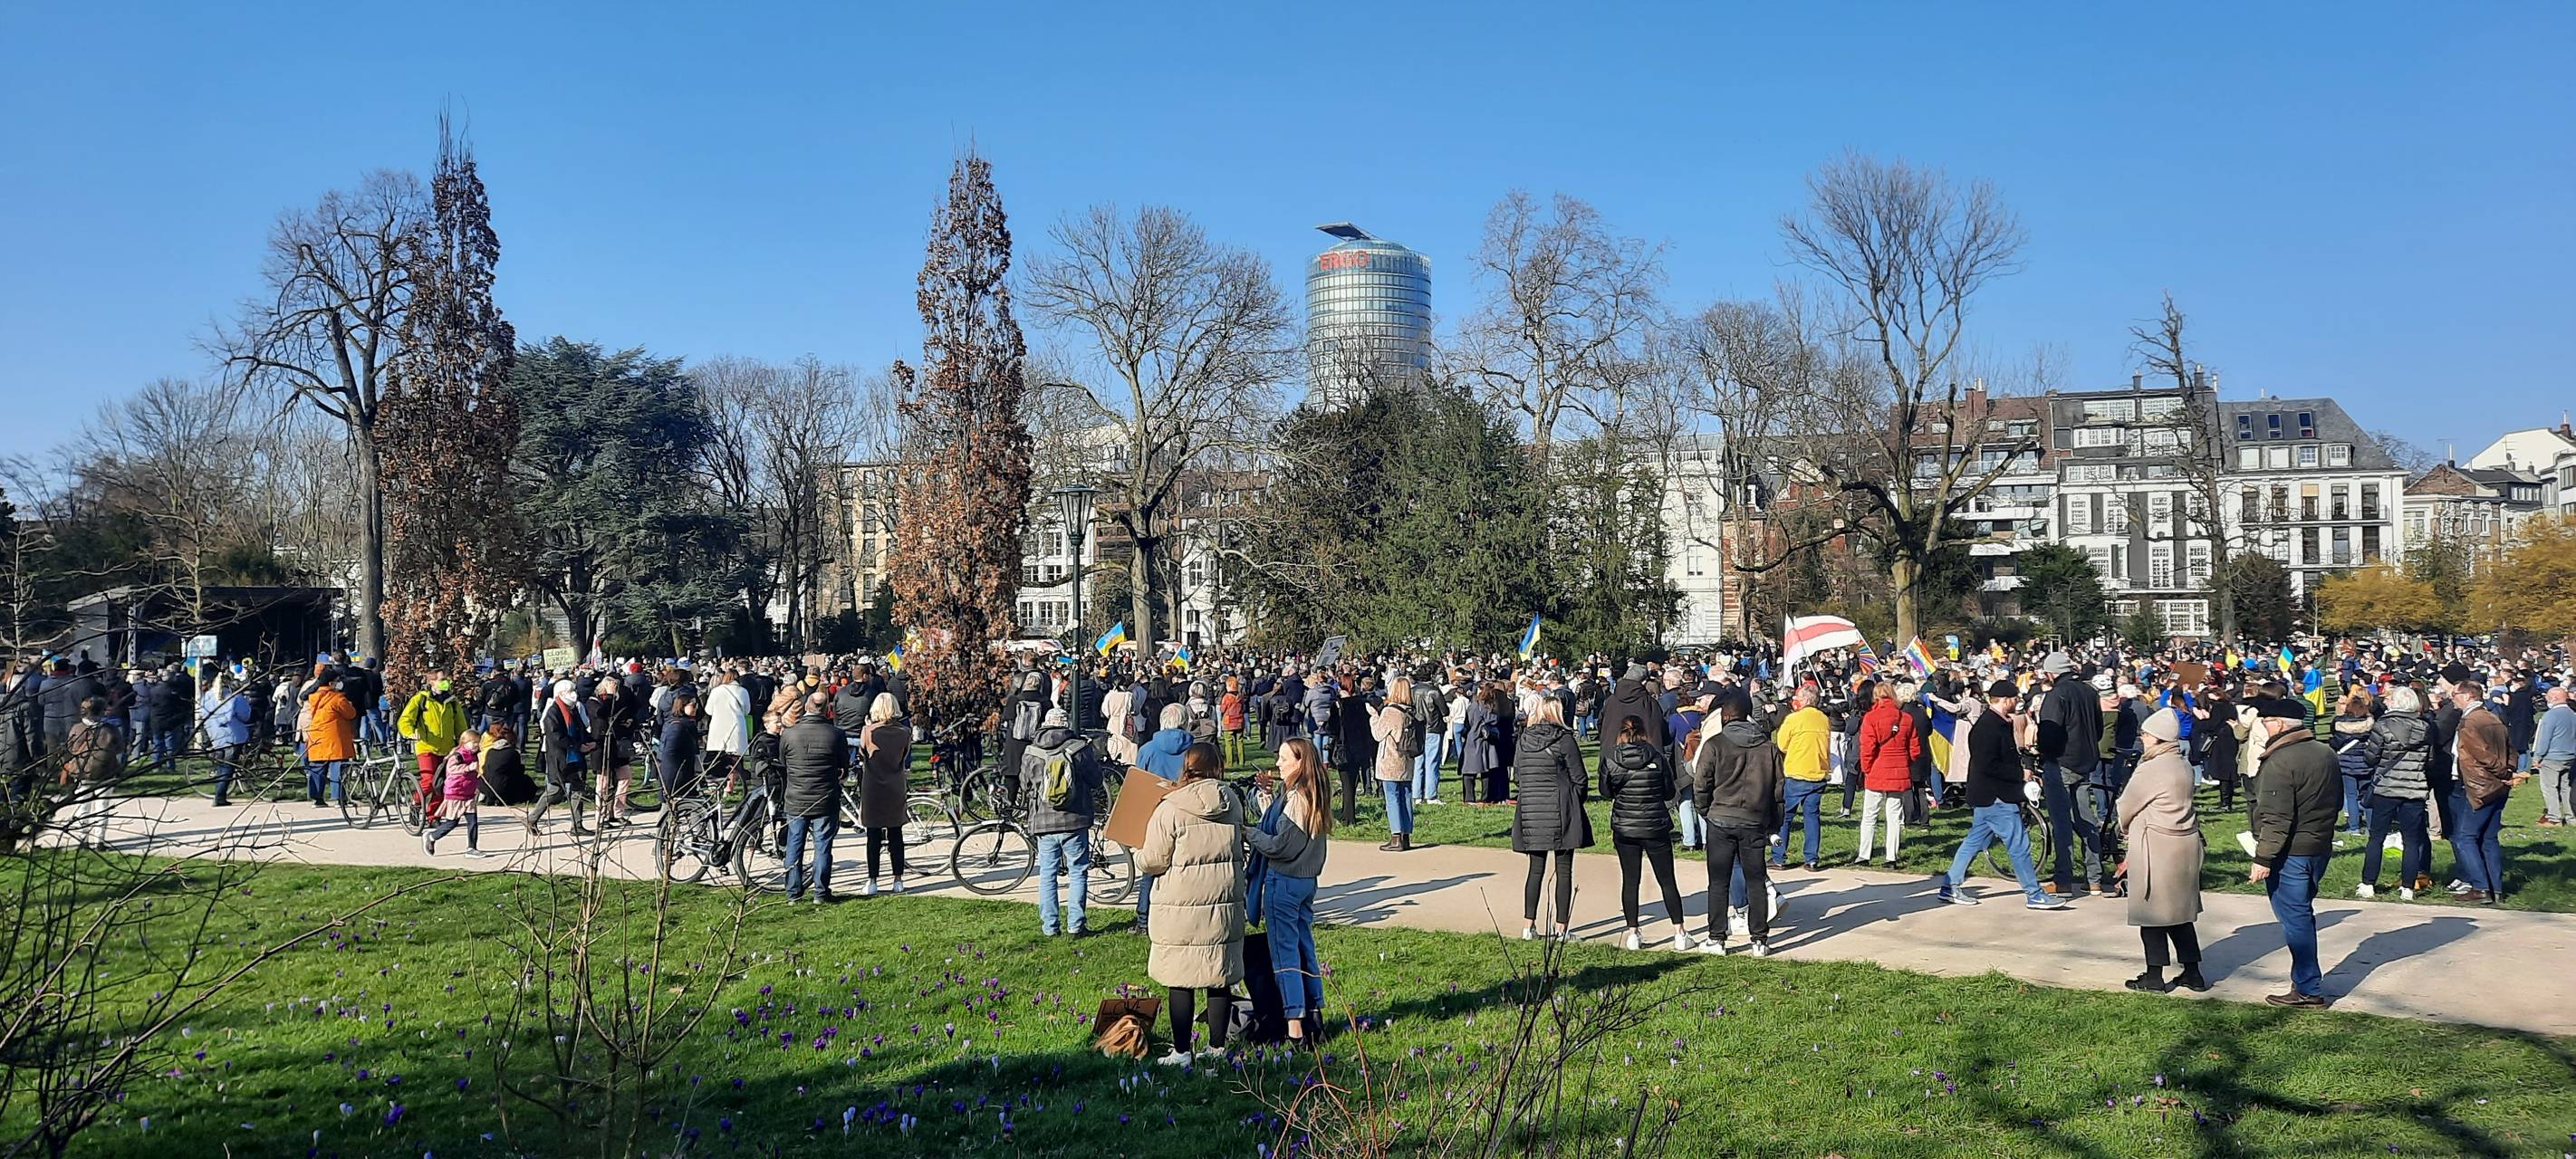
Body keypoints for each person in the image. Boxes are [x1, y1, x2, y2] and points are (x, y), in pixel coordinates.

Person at [1137, 742, 1247, 1066]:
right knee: (1220, 975)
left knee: (1180, 978)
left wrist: (1137, 854)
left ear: (1186, 766)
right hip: (1222, 903)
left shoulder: (1169, 809)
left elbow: (1154, 860)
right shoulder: (1232, 803)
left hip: (1180, 904)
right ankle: (1216, 1049)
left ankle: (1182, 1051)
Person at [1939, 680, 2068, 910]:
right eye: (2015, 698)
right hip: (1996, 795)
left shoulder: (1996, 723)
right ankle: (2034, 893)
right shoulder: (1988, 727)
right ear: (2006, 700)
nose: (2017, 702)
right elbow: (1987, 764)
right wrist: (2021, 774)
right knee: (2019, 845)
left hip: (1989, 795)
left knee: (1974, 841)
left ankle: (1951, 885)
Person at [2247, 694, 2339, 1007]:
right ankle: (2305, 982)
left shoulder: (2280, 761)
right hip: (2319, 846)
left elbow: (2276, 817)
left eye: (2266, 722)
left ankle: (2308, 987)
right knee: (2303, 915)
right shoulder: (2325, 752)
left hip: (2292, 853)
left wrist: (2263, 858)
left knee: (2295, 920)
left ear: (2280, 724)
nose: (2263, 727)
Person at [2115, 708, 2206, 992]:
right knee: (2180, 915)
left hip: (2156, 845)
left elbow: (2126, 805)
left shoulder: (2152, 768)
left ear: (2157, 738)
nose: (2142, 738)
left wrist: (2125, 829)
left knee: (2152, 913)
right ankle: (2193, 973)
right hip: (2185, 844)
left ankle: (2154, 976)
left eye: (2146, 734)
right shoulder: (2182, 763)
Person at [1247, 737, 1330, 1044]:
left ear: (1299, 763)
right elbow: (1285, 828)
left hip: (1284, 882)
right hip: (1306, 882)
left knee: (1285, 956)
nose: (1278, 763)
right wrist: (1268, 796)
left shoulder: (1298, 799)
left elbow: (1279, 845)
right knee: (1305, 948)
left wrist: (1248, 832)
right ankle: (1315, 1013)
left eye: (1284, 759)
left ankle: (1294, 1025)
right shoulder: (1311, 793)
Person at [1691, 690, 1783, 955]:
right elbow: (1779, 792)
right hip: (1754, 820)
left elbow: (1701, 783)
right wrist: (1772, 825)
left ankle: (1716, 938)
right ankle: (1759, 940)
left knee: (1718, 881)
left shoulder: (1716, 744)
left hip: (1720, 818)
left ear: (1727, 716)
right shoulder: (1769, 749)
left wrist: (1705, 810)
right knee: (1756, 880)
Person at [1601, 714, 1691, 952]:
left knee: (1631, 881)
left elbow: (1605, 790)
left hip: (1625, 825)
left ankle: (1633, 932)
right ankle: (1679, 932)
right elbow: (1668, 791)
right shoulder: (1656, 756)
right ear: (1643, 731)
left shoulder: (1611, 758)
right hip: (1655, 825)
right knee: (1667, 880)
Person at [1510, 697, 1591, 941]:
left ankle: (1528, 925)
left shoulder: (1524, 740)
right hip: (1561, 809)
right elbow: (1580, 778)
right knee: (1564, 871)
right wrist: (1573, 798)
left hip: (1531, 811)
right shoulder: (1564, 740)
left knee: (1535, 870)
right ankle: (1561, 928)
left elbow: (1517, 776)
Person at [1024, 706, 1103, 936]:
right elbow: (1096, 780)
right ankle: (1076, 925)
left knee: (1047, 873)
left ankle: (1050, 926)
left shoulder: (1031, 751)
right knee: (1078, 871)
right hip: (1075, 820)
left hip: (1043, 821)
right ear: (1067, 725)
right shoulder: (1079, 748)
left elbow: (1025, 784)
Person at [2034, 659, 2108, 896]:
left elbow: (2050, 730)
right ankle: (2094, 878)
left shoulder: (2056, 695)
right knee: (2086, 818)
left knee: (2062, 823)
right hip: (2086, 760)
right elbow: (2098, 727)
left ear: (2051, 673)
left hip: (2061, 761)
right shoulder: (2089, 691)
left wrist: (2043, 753)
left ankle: (2063, 879)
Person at [2359, 685, 2433, 900]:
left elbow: (2371, 757)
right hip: (2415, 787)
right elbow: (2430, 760)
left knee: (2376, 837)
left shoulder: (2383, 725)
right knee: (2411, 840)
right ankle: (2408, 888)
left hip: (2387, 787)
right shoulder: (2425, 728)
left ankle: (2368, 884)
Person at [2449, 682, 2519, 905]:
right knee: (2489, 838)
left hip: (2480, 785)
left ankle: (2480, 887)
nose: (2452, 699)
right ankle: (2495, 889)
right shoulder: (2493, 717)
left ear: (2468, 696)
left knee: (2464, 837)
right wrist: (2509, 771)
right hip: (2498, 786)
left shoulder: (2470, 722)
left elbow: (2481, 753)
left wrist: (2501, 771)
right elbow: (2512, 748)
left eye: (2455, 695)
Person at [778, 692, 849, 904]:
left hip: (796, 797)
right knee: (822, 846)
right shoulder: (836, 734)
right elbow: (844, 765)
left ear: (806, 707)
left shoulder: (789, 734)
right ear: (827, 709)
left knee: (795, 844)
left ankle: (793, 892)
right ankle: (820, 892)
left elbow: (783, 762)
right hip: (824, 797)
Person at [1856, 682, 1923, 867]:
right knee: (1894, 816)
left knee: (1870, 815)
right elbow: (1915, 749)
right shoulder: (1906, 718)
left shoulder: (1870, 718)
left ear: (1875, 696)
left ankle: (1864, 855)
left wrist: (1866, 768)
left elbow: (1867, 748)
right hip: (1899, 769)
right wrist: (1904, 763)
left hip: (1877, 769)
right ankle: (1891, 857)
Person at [855, 693, 912, 896]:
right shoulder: (904, 732)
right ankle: (898, 879)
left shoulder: (868, 731)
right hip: (895, 784)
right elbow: (904, 755)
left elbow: (863, 754)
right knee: (896, 834)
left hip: (873, 786)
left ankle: (872, 880)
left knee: (873, 835)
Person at [1770, 686, 1831, 872]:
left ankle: (1778, 857)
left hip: (1796, 773)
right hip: (1818, 773)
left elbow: (1781, 744)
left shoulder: (1793, 719)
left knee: (1784, 818)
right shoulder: (1823, 719)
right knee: (1812, 817)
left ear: (1804, 700)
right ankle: (1811, 859)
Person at [398, 672, 472, 825]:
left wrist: (465, 744)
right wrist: (411, 733)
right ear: (432, 682)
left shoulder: (452, 702)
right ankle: (416, 802)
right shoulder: (421, 699)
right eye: (442, 679)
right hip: (426, 746)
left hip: (447, 748)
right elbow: (405, 720)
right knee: (430, 780)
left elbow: (461, 726)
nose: (447, 682)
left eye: (447, 679)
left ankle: (434, 816)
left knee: (443, 784)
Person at [528, 680, 595, 837]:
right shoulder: (552, 712)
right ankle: (532, 818)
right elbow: (557, 737)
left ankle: (577, 824)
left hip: (576, 757)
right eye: (569, 692)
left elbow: (581, 729)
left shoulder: (573, 710)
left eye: (574, 691)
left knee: (578, 789)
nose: (574, 695)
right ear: (560, 694)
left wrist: (589, 741)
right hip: (560, 758)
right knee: (555, 791)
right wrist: (577, 746)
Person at [422, 729, 487, 857]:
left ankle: (471, 848)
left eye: (478, 743)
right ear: (464, 742)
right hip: (455, 793)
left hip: (469, 794)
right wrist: (469, 768)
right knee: (452, 823)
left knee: (473, 822)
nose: (476, 745)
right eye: (474, 743)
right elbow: (452, 770)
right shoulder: (457, 756)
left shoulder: (474, 755)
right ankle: (431, 836)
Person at [1370, 678, 1418, 852]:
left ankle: (1396, 836)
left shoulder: (1391, 711)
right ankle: (1406, 836)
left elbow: (1378, 734)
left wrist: (1374, 716)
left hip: (1390, 759)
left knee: (1392, 797)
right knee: (1405, 795)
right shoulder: (1410, 711)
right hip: (1407, 759)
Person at [198, 667, 255, 807]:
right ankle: (220, 796)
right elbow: (245, 715)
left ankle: (219, 792)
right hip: (233, 735)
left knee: (222, 765)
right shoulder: (234, 697)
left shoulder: (207, 697)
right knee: (228, 766)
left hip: (216, 736)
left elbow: (202, 715)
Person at [591, 678, 643, 828]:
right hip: (602, 746)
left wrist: (630, 722)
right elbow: (602, 714)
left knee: (625, 776)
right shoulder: (594, 702)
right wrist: (610, 696)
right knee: (604, 783)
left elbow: (625, 714)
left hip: (618, 745)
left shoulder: (616, 701)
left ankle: (617, 813)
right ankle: (601, 817)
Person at [303, 669, 359, 809]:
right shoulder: (337, 699)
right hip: (335, 738)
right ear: (331, 683)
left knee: (317, 769)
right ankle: (339, 798)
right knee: (338, 767)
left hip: (317, 736)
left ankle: (317, 798)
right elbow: (351, 714)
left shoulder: (314, 698)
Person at [2329, 690, 2379, 837]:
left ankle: (2354, 826)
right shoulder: (2371, 724)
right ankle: (2371, 827)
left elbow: (2334, 742)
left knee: (2350, 795)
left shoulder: (2339, 723)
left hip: (2345, 763)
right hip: (2366, 763)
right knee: (2368, 796)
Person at [2530, 685, 2576, 828]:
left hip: (2552, 757)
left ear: (2555, 698)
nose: (2547, 700)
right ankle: (2571, 817)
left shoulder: (2550, 715)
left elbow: (2545, 739)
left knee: (2549, 788)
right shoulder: (2572, 714)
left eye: (2548, 697)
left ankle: (2554, 817)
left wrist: (2537, 756)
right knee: (2566, 787)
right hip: (2570, 756)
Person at [704, 668, 752, 792]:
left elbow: (708, 710)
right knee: (735, 757)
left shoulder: (716, 691)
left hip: (718, 726)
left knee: (717, 756)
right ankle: (730, 785)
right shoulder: (743, 691)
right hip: (737, 725)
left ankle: (714, 784)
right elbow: (747, 710)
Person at [1410, 675, 1447, 806]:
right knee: (1432, 762)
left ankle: (1417, 795)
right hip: (1434, 728)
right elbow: (1445, 711)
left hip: (1418, 728)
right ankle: (1431, 795)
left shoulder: (1412, 691)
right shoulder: (1434, 691)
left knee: (1418, 762)